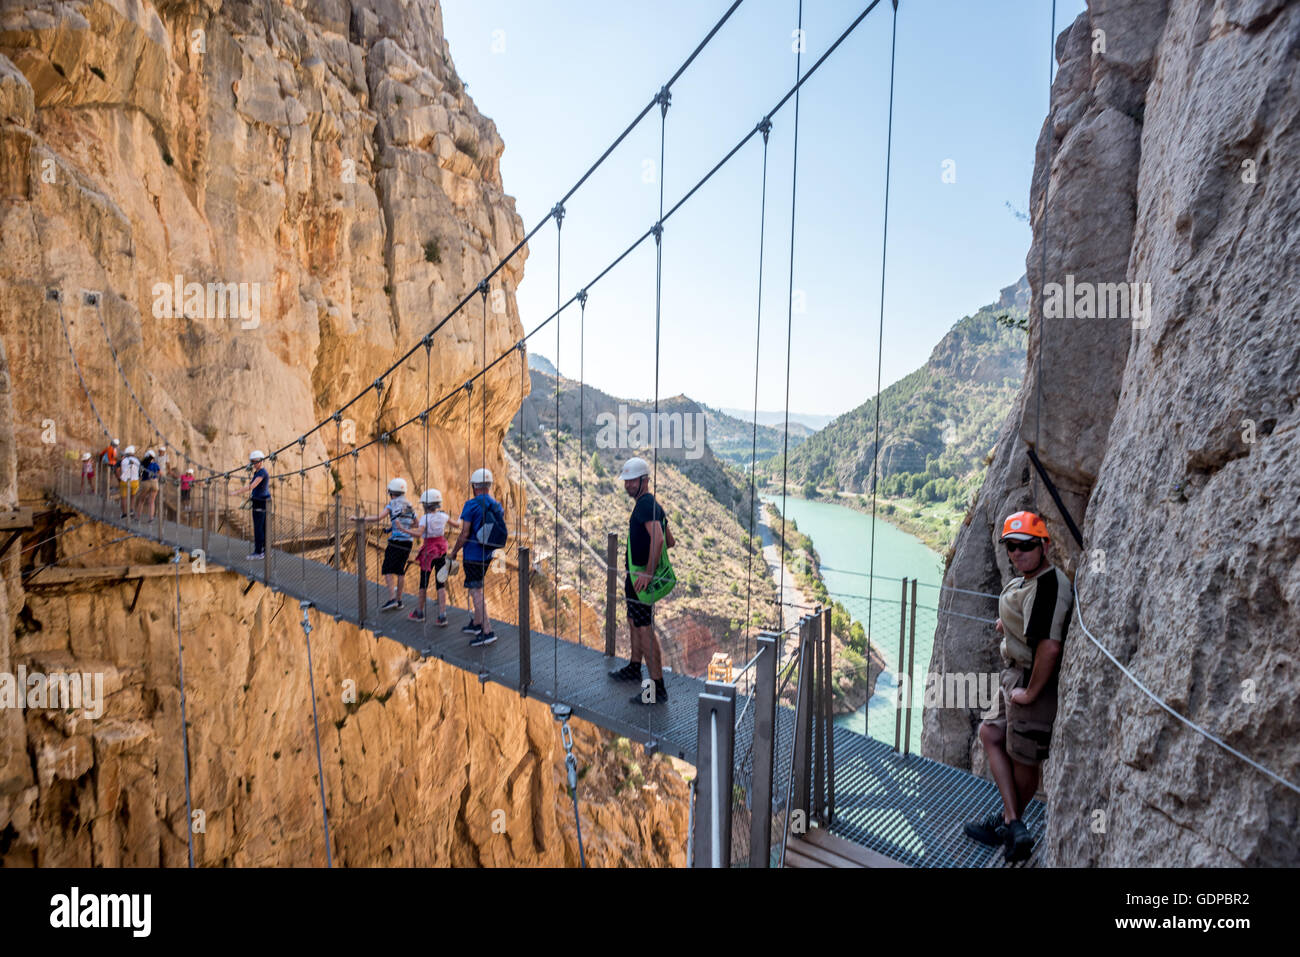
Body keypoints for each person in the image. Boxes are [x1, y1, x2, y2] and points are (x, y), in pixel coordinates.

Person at [964, 510, 1072, 863]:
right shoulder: (1028, 580)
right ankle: (1012, 822)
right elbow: (1026, 619)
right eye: (1011, 546)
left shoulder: (1049, 584)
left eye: (1025, 545)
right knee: (990, 734)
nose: (1017, 552)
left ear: (1044, 544)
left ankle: (1010, 825)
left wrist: (1031, 693)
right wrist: (1006, 625)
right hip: (1013, 675)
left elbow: (1050, 646)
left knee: (1023, 758)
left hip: (1029, 681)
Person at [607, 456, 675, 705]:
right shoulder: (652, 505)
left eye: (631, 481)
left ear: (644, 480)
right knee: (634, 621)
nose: (627, 485)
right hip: (635, 578)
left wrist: (647, 573)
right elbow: (670, 541)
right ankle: (634, 668)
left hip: (640, 579)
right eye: (626, 481)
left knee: (645, 629)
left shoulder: (646, 505)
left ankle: (656, 689)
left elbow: (658, 540)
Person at [447, 467, 503, 647]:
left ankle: (487, 631)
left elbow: (464, 533)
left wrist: (454, 551)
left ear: (475, 487)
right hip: (487, 555)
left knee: (476, 591)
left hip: (472, 555)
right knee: (475, 588)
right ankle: (477, 623)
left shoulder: (471, 505)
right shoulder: (496, 505)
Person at [363, 478, 417, 611]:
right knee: (400, 570)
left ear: (392, 492)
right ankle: (399, 601)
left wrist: (361, 519)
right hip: (408, 542)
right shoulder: (409, 505)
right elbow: (416, 523)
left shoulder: (392, 504)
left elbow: (378, 518)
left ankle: (392, 599)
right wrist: (402, 525)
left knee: (387, 569)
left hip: (396, 542)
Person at [409, 488, 452, 624]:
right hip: (442, 550)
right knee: (441, 583)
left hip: (429, 552)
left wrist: (403, 529)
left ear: (425, 505)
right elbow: (457, 524)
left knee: (424, 583)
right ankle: (442, 615)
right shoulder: (443, 516)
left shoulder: (424, 518)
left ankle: (420, 612)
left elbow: (419, 533)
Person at [237, 450, 270, 559]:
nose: (253, 464)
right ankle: (265, 551)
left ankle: (258, 552)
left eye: (254, 462)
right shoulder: (258, 472)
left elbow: (252, 486)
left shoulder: (262, 473)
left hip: (260, 502)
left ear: (260, 461)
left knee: (258, 528)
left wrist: (236, 492)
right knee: (262, 527)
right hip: (261, 501)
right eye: (252, 462)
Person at [117, 445, 141, 519]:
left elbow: (117, 470)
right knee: (133, 496)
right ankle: (131, 510)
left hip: (124, 480)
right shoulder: (137, 461)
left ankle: (124, 513)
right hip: (135, 481)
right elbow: (140, 471)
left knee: (123, 498)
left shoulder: (123, 460)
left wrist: (119, 478)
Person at [139, 449, 160, 520]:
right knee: (151, 502)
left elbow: (140, 474)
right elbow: (161, 473)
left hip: (145, 482)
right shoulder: (155, 464)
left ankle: (138, 517)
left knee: (141, 500)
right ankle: (151, 518)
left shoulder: (143, 464)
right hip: (155, 483)